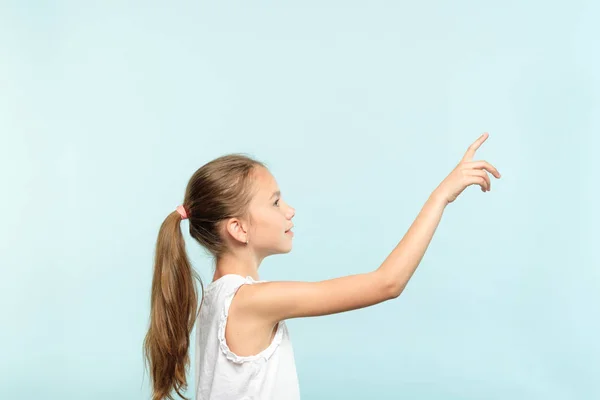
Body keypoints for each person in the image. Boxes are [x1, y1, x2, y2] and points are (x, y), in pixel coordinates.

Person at [143, 132, 501, 400]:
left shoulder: (217, 299)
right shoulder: (251, 301)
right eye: (275, 202)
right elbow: (387, 283)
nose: (289, 210)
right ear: (238, 228)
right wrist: (441, 197)